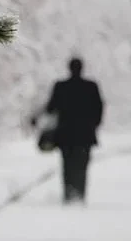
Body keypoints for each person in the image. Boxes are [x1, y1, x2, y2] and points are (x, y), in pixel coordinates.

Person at [31, 57, 104, 205]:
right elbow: (99, 108)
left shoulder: (61, 86)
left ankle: (69, 195)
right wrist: (94, 125)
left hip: (66, 135)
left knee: (67, 165)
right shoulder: (91, 86)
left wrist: (36, 118)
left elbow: (51, 107)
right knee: (82, 166)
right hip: (85, 135)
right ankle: (80, 195)